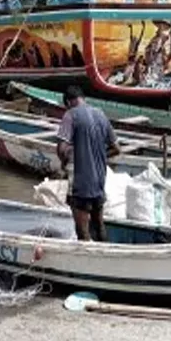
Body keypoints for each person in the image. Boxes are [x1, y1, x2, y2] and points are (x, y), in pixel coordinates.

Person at [56, 86, 120, 241]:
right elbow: (117, 148)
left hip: (81, 182)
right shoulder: (100, 114)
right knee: (99, 225)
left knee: (82, 230)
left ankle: (87, 263)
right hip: (99, 180)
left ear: (69, 102)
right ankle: (106, 256)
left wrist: (64, 163)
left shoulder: (70, 115)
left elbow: (62, 149)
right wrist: (98, 156)